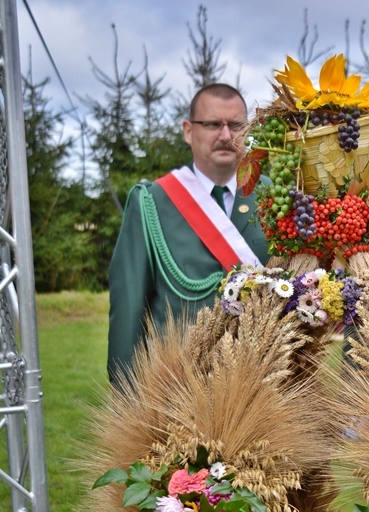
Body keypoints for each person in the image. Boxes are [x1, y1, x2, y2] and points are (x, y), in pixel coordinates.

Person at [107, 83, 269, 385]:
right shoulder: (152, 202)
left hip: (264, 390)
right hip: (180, 390)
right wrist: (126, 397)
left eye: (236, 125)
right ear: (188, 130)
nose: (226, 135)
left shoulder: (276, 198)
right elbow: (128, 312)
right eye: (213, 124)